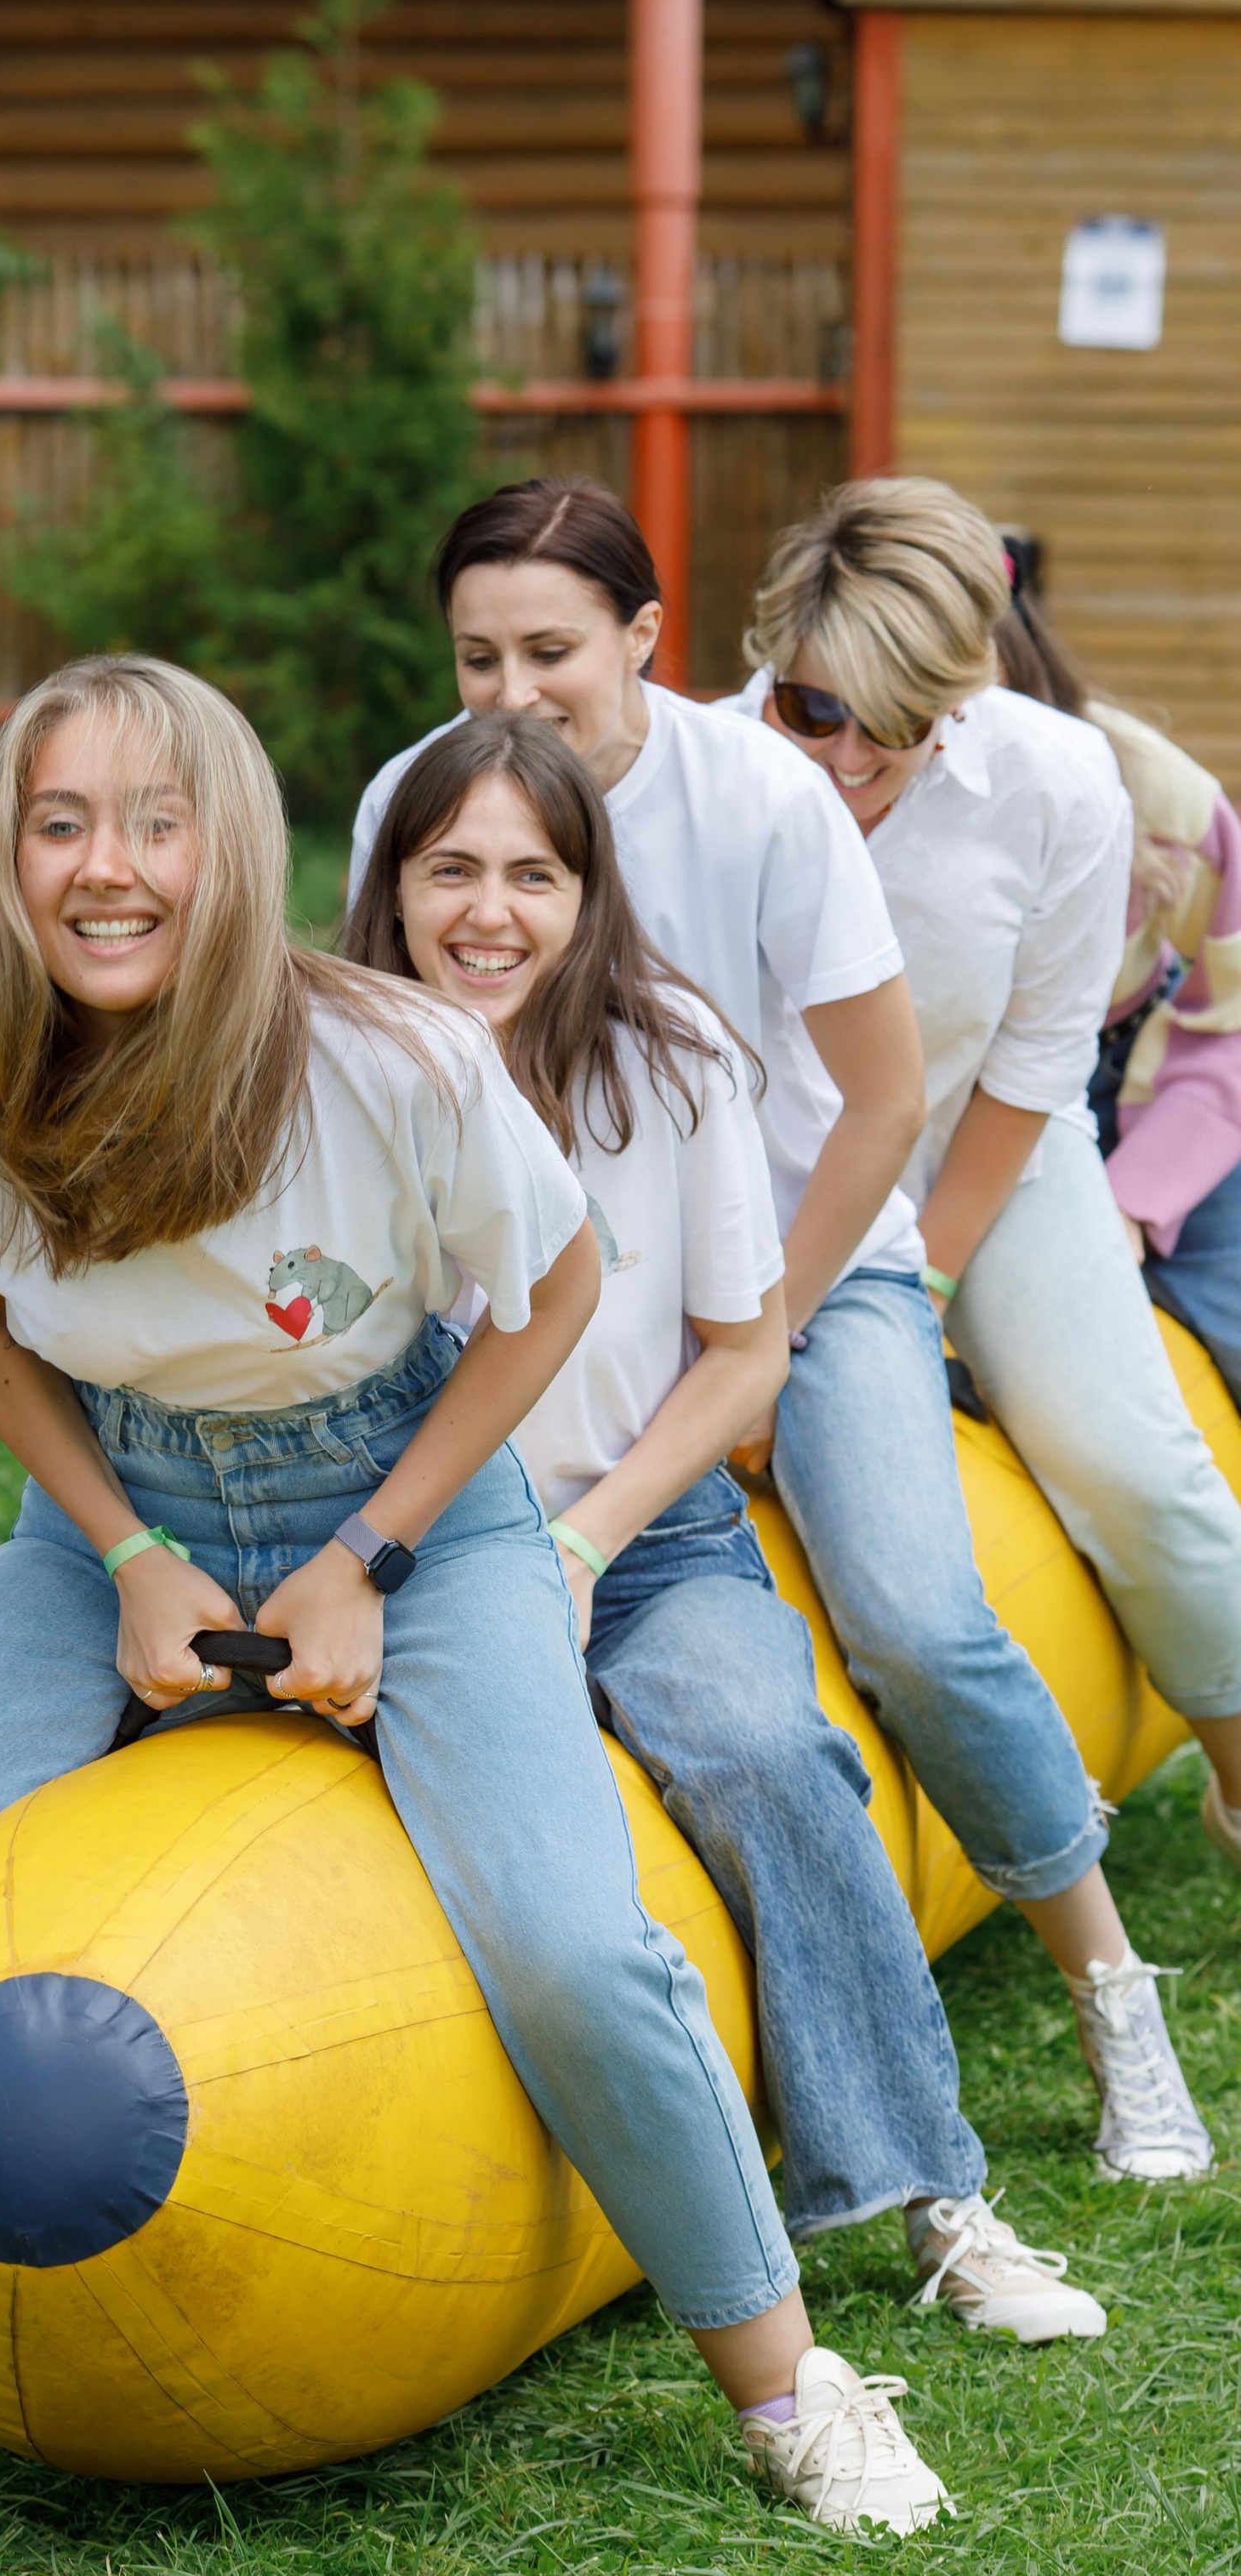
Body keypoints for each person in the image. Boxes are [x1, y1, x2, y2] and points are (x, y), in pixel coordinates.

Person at [0, 653, 947, 2539]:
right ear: (4, 853)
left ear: (227, 851)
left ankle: (788, 2381)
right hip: (118, 1509)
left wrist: (365, 1562)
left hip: (416, 1499)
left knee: (577, 1954)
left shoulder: (389, 1062)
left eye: (154, 824)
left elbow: (548, 1302)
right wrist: (129, 1556)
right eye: (59, 822)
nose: (106, 868)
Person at [350, 479, 1208, 2186]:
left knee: (905, 1607)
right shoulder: (414, 793)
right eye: (475, 657)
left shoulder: (757, 792)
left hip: (811, 1259)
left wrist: (757, 1352)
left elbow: (885, 1102)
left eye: (549, 652)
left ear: (643, 642)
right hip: (544, 1292)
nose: (510, 693)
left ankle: (1111, 1992)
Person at [743, 481, 1241, 1917]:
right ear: (766, 654)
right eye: (815, 710)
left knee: (1138, 1470)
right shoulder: (705, 767)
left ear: (966, 687)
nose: (850, 758)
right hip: (767, 1181)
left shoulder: (1063, 779)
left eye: (900, 724)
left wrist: (924, 1295)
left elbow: (1036, 1065)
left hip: (987, 1157)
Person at [995, 562, 1241, 1484]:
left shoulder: (1157, 792)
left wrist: (1138, 1196)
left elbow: (1228, 1014)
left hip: (1147, 1076)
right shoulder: (833, 767)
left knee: (1224, 1315)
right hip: (970, 1097)